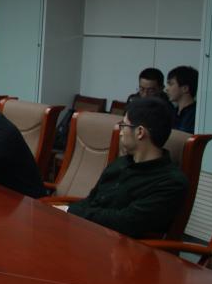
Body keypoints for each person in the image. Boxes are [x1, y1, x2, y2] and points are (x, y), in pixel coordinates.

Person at [68, 98, 188, 238]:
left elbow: (127, 222)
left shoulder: (171, 182)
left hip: (123, 247)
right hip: (89, 233)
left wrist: (77, 211)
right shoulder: (120, 164)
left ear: (140, 132)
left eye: (123, 125)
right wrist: (70, 210)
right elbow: (91, 200)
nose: (120, 132)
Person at [166, 65, 198, 133]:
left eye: (171, 84)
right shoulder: (172, 111)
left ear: (185, 88)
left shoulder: (196, 113)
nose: (167, 89)